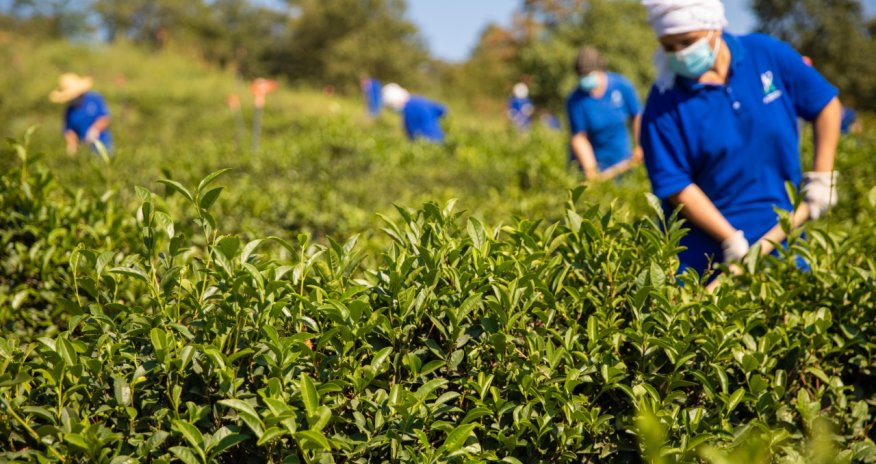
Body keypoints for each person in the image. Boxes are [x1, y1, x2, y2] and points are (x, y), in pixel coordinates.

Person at [639, 0, 841, 276]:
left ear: (714, 29)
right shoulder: (663, 102)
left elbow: (825, 105)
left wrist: (822, 177)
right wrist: (730, 238)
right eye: (669, 46)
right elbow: (675, 184)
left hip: (783, 235)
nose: (680, 53)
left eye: (687, 41)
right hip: (707, 254)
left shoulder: (766, 54)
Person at [566, 46, 643, 181]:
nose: (585, 78)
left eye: (589, 74)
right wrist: (591, 171)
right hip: (597, 165)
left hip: (623, 161)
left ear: (601, 70)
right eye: (582, 75)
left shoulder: (621, 85)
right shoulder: (576, 100)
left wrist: (639, 145)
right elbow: (579, 138)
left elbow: (637, 116)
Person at [49, 73, 112, 155]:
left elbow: (105, 117)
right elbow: (69, 130)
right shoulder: (70, 110)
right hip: (84, 148)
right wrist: (72, 145)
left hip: (103, 144)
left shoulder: (94, 98)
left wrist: (94, 130)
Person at [381, 83, 447, 143]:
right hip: (439, 137)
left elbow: (411, 133)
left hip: (426, 142)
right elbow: (442, 110)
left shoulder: (408, 110)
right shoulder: (420, 99)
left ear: (396, 102)